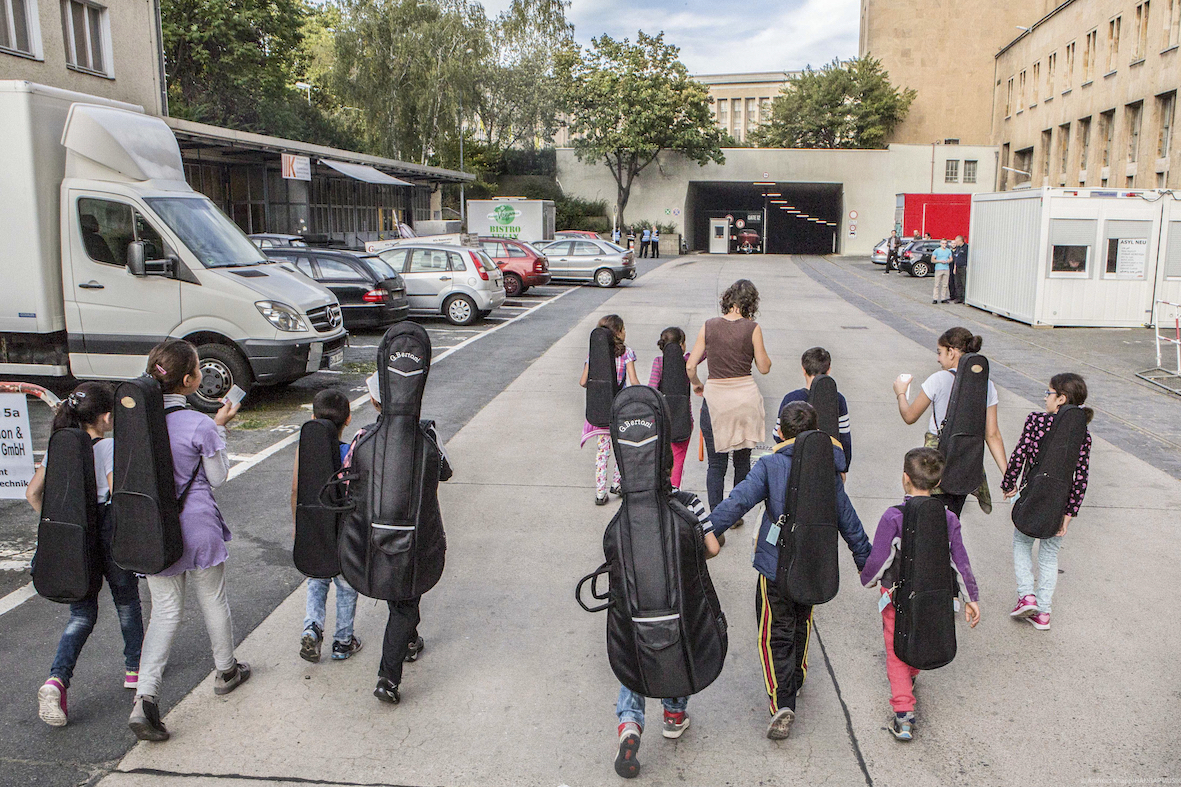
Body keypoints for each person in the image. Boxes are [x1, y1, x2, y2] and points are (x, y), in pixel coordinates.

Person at [705, 402, 870, 740]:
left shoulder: (770, 465)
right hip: (814, 564)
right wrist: (866, 562)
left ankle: (782, 700)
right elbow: (848, 520)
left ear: (781, 432)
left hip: (775, 565)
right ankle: (795, 677)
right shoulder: (829, 471)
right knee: (801, 620)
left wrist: (700, 534)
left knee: (773, 633)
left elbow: (737, 502)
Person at [129, 340, 249, 742]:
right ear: (188, 381)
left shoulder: (134, 426)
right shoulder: (200, 425)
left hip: (150, 531)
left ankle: (145, 698)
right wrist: (218, 431)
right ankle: (226, 669)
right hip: (197, 526)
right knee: (212, 599)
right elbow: (217, 478)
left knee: (164, 613)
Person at [27, 383, 144, 728]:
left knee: (81, 613)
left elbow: (34, 493)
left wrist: (59, 526)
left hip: (74, 533)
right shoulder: (108, 446)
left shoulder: (60, 445)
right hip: (107, 530)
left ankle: (56, 680)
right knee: (126, 601)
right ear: (107, 417)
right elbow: (118, 495)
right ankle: (135, 668)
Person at [860, 447, 980, 742]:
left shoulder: (893, 517)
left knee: (895, 648)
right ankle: (911, 673)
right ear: (938, 484)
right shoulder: (948, 517)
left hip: (897, 596)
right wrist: (971, 597)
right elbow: (959, 560)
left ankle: (903, 714)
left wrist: (869, 580)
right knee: (920, 632)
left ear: (905, 479)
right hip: (934, 596)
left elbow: (879, 559)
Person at [351, 373, 452, 704]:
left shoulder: (364, 436)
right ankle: (387, 676)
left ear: (374, 401)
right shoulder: (426, 433)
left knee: (403, 599)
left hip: (375, 533)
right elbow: (444, 471)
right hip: (418, 531)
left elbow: (349, 478)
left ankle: (409, 642)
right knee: (406, 601)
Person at [614, 485, 719, 778]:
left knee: (636, 653)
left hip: (642, 600)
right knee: (680, 646)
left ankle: (630, 724)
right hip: (680, 599)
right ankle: (674, 714)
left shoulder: (630, 505)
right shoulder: (688, 502)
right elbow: (713, 547)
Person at [1001, 373, 1093, 631]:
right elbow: (1080, 476)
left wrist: (1009, 484)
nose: (1045, 398)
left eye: (1048, 393)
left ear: (1061, 399)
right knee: (1050, 555)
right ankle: (1043, 612)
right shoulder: (1083, 434)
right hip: (1060, 501)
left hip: (1034, 492)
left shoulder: (1037, 421)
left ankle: (1026, 595)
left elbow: (1019, 454)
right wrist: (1070, 512)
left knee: (1021, 541)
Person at [892, 327, 1007, 517]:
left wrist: (901, 393)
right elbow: (992, 434)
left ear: (951, 352)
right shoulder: (986, 385)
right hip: (965, 463)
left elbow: (909, 416)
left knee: (928, 518)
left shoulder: (938, 379)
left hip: (936, 461)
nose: (938, 358)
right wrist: (1007, 474)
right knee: (952, 520)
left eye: (940, 352)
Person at [687, 280, 772, 520]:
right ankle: (735, 515)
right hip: (745, 401)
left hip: (716, 402)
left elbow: (691, 365)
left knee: (716, 465)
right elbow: (764, 368)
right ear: (750, 303)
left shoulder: (708, 326)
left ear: (728, 299)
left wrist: (697, 385)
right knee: (742, 463)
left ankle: (717, 520)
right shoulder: (753, 328)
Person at [291, 389, 361, 663]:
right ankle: (343, 642)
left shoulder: (306, 451)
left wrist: (298, 525)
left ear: (313, 417)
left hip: (314, 525)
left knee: (316, 578)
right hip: (342, 529)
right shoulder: (351, 451)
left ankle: (312, 628)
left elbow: (296, 489)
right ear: (348, 420)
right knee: (346, 585)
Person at [580, 315, 639, 505]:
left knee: (602, 452)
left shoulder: (594, 354)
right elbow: (634, 381)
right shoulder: (626, 353)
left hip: (600, 410)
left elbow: (583, 382)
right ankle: (617, 484)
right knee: (620, 447)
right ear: (618, 332)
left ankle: (600, 493)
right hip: (619, 409)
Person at [775, 347, 852, 472]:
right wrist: (843, 468)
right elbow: (844, 438)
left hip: (794, 463)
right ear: (829, 370)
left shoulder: (791, 398)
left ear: (803, 370)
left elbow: (777, 435)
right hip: (827, 464)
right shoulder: (838, 399)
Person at [648, 327, 693, 487]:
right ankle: (674, 491)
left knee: (661, 457)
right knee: (678, 459)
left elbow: (652, 389)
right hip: (683, 419)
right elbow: (704, 353)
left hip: (662, 420)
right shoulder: (687, 361)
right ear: (681, 344)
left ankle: (660, 489)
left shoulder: (659, 362)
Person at [931, 239, 953, 304]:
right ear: (940, 243)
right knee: (937, 284)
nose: (944, 245)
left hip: (946, 268)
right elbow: (932, 260)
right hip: (938, 268)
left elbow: (951, 258)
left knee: (945, 284)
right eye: (943, 243)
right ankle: (935, 298)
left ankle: (943, 298)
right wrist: (940, 261)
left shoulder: (948, 251)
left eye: (945, 243)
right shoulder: (937, 251)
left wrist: (949, 261)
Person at [950, 235, 969, 303]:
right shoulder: (957, 248)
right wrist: (954, 268)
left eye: (956, 241)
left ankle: (964, 298)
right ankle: (958, 297)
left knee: (963, 283)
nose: (956, 243)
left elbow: (968, 258)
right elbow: (956, 258)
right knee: (957, 283)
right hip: (957, 267)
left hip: (963, 267)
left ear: (960, 241)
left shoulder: (966, 247)